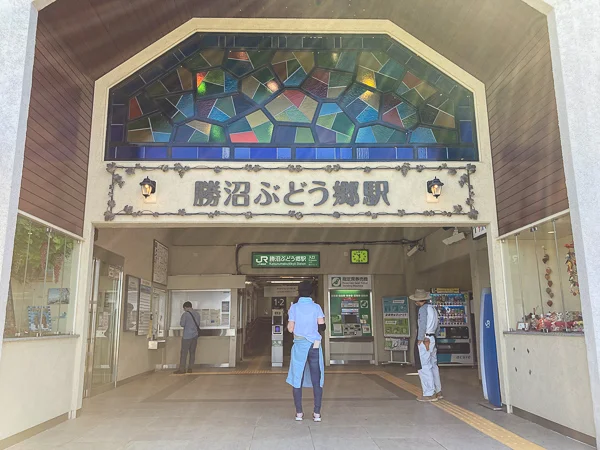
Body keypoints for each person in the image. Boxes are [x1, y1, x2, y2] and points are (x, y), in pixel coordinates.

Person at [286, 280, 325, 422]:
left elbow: (290, 329)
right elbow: (322, 326)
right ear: (311, 292)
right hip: (314, 344)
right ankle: (317, 413)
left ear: (299, 291)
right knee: (317, 377)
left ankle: (299, 413)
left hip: (299, 345)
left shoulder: (294, 308)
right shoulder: (316, 307)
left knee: (298, 377)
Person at [410, 289, 442, 402]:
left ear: (419, 300)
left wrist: (420, 338)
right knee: (433, 365)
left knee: (424, 365)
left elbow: (422, 324)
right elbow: (438, 325)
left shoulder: (422, 309)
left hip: (425, 339)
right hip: (432, 338)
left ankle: (429, 393)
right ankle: (438, 391)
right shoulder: (433, 308)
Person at [174, 301, 200, 374]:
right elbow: (198, 324)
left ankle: (182, 369)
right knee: (192, 352)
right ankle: (190, 368)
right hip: (195, 335)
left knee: (184, 353)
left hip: (187, 336)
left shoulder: (185, 314)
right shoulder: (197, 314)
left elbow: (182, 324)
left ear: (185, 307)